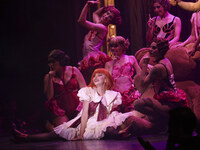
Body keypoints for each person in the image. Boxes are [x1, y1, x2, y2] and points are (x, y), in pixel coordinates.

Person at [12, 68, 136, 141]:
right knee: (60, 131)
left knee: (107, 127)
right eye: (95, 76)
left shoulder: (113, 93)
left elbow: (112, 107)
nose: (96, 78)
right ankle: (26, 137)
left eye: (100, 76)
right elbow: (85, 113)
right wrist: (81, 134)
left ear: (106, 80)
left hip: (104, 118)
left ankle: (121, 134)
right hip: (87, 119)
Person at [133, 38, 188, 133]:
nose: (150, 50)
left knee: (137, 104)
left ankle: (165, 121)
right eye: (150, 47)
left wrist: (145, 64)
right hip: (170, 97)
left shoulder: (158, 68)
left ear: (161, 50)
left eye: (154, 48)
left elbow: (142, 85)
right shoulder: (166, 60)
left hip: (169, 102)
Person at [77, 0, 121, 84]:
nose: (107, 16)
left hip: (93, 60)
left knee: (92, 84)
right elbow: (95, 14)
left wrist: (87, 5)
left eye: (110, 17)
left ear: (110, 21)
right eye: (107, 13)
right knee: (89, 83)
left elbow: (81, 21)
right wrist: (106, 8)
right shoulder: (98, 24)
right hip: (87, 58)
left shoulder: (102, 28)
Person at [44, 49, 86, 131]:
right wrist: (50, 79)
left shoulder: (74, 70)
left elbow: (85, 89)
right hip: (61, 111)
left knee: (82, 129)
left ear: (60, 61)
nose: (51, 65)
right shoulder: (48, 77)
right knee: (64, 131)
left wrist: (82, 105)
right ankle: (49, 127)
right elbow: (49, 97)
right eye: (49, 62)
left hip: (77, 108)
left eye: (53, 62)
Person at [105, 36, 141, 113]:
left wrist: (134, 84)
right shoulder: (108, 64)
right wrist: (111, 65)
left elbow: (140, 74)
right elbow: (108, 82)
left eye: (116, 46)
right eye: (111, 46)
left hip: (130, 95)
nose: (113, 48)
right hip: (116, 97)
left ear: (122, 46)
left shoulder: (131, 58)